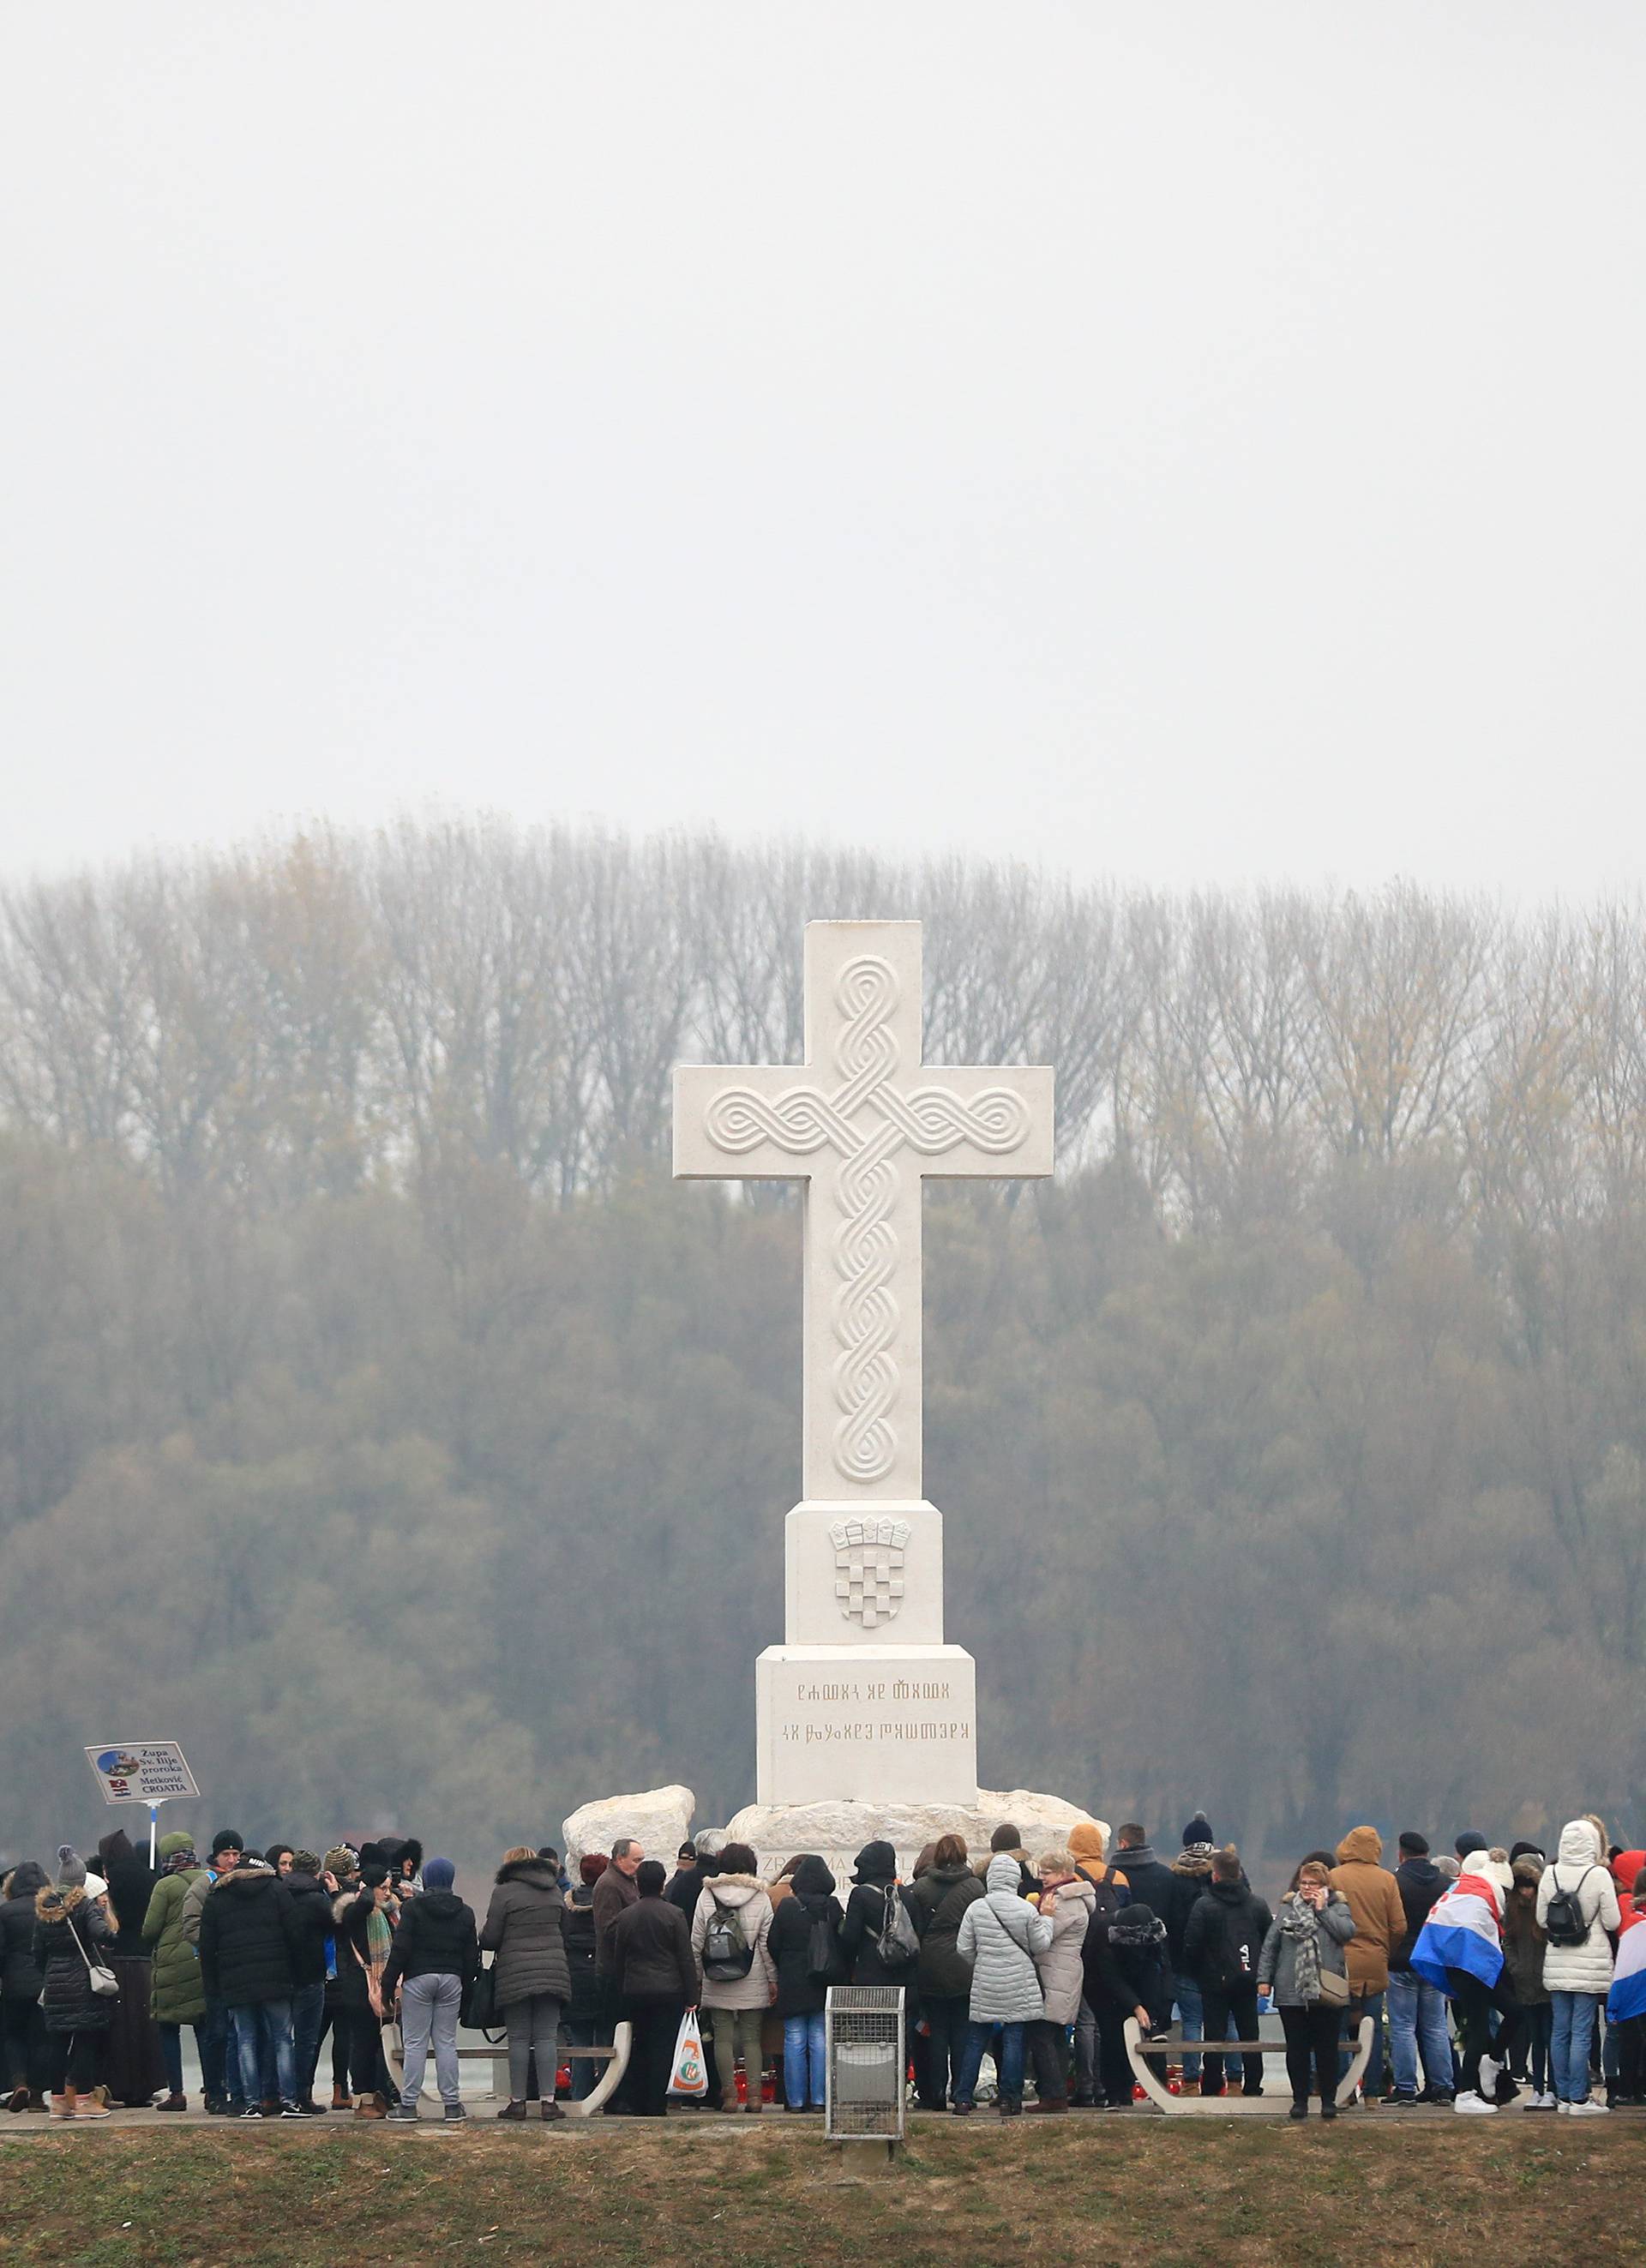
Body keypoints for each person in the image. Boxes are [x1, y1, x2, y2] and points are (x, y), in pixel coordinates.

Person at [197, 1852, 303, 2117]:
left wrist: (213, 1985)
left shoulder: (218, 1897)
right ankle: (288, 2100)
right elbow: (296, 1933)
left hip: (236, 1981)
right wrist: (295, 1974)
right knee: (282, 2039)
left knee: (245, 2040)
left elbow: (207, 1946)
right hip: (276, 1977)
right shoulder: (278, 1891)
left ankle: (250, 2102)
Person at [952, 1852, 1054, 2117]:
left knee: (975, 2040)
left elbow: (963, 1948)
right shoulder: (1026, 1909)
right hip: (1019, 1982)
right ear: (1016, 1880)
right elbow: (1041, 1945)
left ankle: (963, 2098)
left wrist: (983, 1961)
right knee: (1014, 2039)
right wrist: (1049, 1919)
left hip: (986, 1981)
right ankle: (1010, 2099)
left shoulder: (976, 1908)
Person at [381, 1855, 478, 2123]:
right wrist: (466, 1987)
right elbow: (472, 1956)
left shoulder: (413, 1909)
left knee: (415, 2043)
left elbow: (401, 1949)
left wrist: (388, 1983)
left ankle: (409, 2105)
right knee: (446, 2042)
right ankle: (451, 2105)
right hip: (451, 1980)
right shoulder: (465, 1912)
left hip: (418, 1979)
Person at [1257, 1859, 1355, 2122]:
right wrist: (1263, 1980)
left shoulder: (1339, 1907)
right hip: (1292, 1989)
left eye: (1314, 1883)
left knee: (1327, 2048)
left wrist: (1323, 1911)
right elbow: (1270, 1946)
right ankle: (1299, 2099)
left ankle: (1328, 2100)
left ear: (1325, 1886)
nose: (1308, 1888)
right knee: (1297, 2048)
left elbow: (1347, 1933)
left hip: (1325, 1990)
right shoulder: (1288, 1908)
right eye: (1304, 1883)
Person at [479, 1844, 571, 2122]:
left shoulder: (503, 1893)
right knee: (546, 2036)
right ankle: (548, 2102)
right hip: (553, 1971)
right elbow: (565, 1929)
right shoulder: (555, 1890)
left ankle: (517, 2102)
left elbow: (490, 1939)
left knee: (518, 2038)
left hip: (515, 1974)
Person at [1535, 1816, 1620, 2115]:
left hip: (1558, 1959)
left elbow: (1542, 1920)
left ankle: (1561, 2096)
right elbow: (1613, 1921)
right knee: (1582, 2032)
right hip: (1590, 1960)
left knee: (1560, 2031)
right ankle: (1579, 2099)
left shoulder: (1551, 1873)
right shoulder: (1598, 1875)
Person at [690, 1840, 776, 2115]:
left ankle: (728, 2097)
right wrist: (773, 1979)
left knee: (723, 2037)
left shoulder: (707, 1895)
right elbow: (766, 1944)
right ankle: (754, 2097)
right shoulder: (760, 1897)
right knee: (752, 2038)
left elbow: (696, 1942)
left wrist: (698, 1977)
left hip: (715, 1975)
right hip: (753, 1974)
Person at [1181, 1847, 1273, 2099]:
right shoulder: (1257, 1904)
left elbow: (1192, 1944)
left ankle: (1211, 2085)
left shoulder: (1204, 1905)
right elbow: (1270, 1941)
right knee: (1250, 2034)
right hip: (1248, 1979)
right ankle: (1252, 2084)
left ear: (1215, 1876)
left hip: (1213, 1983)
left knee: (1214, 2035)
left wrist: (1201, 1972)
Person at [610, 1858, 699, 2118]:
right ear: (662, 1884)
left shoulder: (626, 1917)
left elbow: (619, 1959)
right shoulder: (674, 1914)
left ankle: (638, 2102)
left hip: (635, 1990)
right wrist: (692, 1995)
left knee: (639, 2046)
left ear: (638, 1883)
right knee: (663, 2047)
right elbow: (685, 1957)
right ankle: (656, 2103)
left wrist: (619, 1992)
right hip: (669, 1990)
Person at [33, 1848, 116, 2119]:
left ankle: (58, 2102)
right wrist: (111, 1933)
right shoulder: (84, 1904)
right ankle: (84, 2101)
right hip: (83, 1982)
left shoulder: (45, 1908)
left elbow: (38, 1951)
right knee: (84, 2043)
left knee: (57, 2044)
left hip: (54, 1985)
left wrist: (50, 1972)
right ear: (81, 1879)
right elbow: (100, 1932)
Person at [1328, 1827, 1406, 2102]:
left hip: (1340, 1963)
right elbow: (1398, 1926)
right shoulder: (1387, 1880)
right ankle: (1372, 2093)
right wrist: (1384, 1949)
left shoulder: (1334, 1877)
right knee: (1370, 2032)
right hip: (1375, 1962)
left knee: (1336, 2030)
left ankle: (1343, 2090)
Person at [906, 1834, 983, 2110]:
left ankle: (935, 2093)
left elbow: (914, 1930)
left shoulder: (920, 1888)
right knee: (963, 2032)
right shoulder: (975, 1887)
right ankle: (962, 2093)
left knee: (936, 2033)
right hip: (965, 1964)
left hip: (930, 1964)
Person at [766, 1854, 842, 2114]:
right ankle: (820, 2100)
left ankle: (796, 2101)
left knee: (794, 2039)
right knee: (820, 2038)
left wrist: (787, 1964)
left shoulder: (788, 1906)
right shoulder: (832, 1906)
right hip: (822, 1980)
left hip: (792, 1979)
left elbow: (772, 1944)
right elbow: (842, 1941)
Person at [1385, 1831, 1453, 2107]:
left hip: (1401, 1961)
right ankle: (1442, 2087)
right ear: (1427, 1854)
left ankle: (1405, 2087)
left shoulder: (1395, 1882)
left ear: (1402, 1854)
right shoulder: (1445, 1883)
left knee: (1403, 2026)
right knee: (1436, 2026)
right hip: (1434, 1961)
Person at [183, 1827, 248, 2116]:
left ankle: (239, 2089)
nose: (232, 1860)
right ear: (216, 1856)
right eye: (227, 1854)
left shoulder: (243, 1883)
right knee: (217, 2032)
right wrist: (216, 1946)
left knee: (238, 2033)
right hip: (215, 1969)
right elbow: (191, 1926)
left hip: (239, 1969)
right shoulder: (202, 1885)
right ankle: (214, 2090)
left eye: (236, 1854)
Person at [141, 1835, 208, 2112]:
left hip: (170, 1968)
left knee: (169, 2029)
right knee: (205, 2030)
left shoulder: (164, 1885)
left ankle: (177, 2093)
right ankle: (213, 2089)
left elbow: (149, 1929)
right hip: (203, 1963)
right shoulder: (209, 1879)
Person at [1082, 1899, 1170, 2110]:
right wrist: (1136, 2005)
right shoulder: (1103, 1934)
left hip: (1139, 1979)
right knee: (1112, 2038)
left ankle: (1145, 2089)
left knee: (1150, 2033)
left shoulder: (1152, 1936)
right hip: (1101, 1988)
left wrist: (1152, 2007)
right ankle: (1114, 2092)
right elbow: (1110, 1977)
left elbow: (1158, 1968)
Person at [1027, 1849, 1093, 2112]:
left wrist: (1042, 1914)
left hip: (1056, 1972)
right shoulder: (1068, 1897)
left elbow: (1043, 1936)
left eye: (1047, 1872)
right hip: (1061, 1970)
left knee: (1043, 2033)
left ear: (1063, 1874)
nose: (1041, 1877)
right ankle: (1056, 2093)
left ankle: (1053, 2095)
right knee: (1054, 2034)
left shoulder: (1064, 1901)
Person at [332, 1857, 399, 2118]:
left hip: (379, 1985)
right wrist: (368, 1890)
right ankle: (363, 2098)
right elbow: (364, 1903)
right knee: (362, 2042)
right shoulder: (355, 1910)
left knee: (378, 2044)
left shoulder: (386, 1911)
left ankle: (378, 2093)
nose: (387, 1891)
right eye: (383, 1886)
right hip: (359, 1987)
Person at [1066, 1823, 1126, 2104]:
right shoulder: (1119, 1877)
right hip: (1114, 1954)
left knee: (1085, 2023)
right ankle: (1107, 2084)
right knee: (1106, 2024)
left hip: (1082, 1952)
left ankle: (1086, 2086)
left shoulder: (1071, 1876)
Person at [280, 1851, 335, 2112]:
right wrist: (335, 1894)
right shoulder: (317, 1900)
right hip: (311, 1976)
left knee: (280, 2038)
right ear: (317, 1872)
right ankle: (302, 2095)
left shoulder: (278, 1895)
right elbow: (340, 1924)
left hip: (280, 1976)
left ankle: (278, 2095)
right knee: (306, 2040)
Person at [1167, 1815, 1218, 2090]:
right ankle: (1227, 2079)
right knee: (1223, 2023)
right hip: (1221, 1964)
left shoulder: (1175, 1875)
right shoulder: (1226, 1871)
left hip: (1185, 1963)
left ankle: (1189, 2081)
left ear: (1185, 1843)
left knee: (1191, 2022)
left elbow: (1171, 1921)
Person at [1502, 1854, 1553, 2108]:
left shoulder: (1544, 1909)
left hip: (1546, 1980)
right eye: (1521, 1886)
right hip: (1524, 1982)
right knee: (1536, 2036)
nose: (1526, 1891)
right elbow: (1508, 1940)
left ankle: (1551, 2087)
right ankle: (1538, 2089)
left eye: (1529, 1886)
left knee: (1548, 2036)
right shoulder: (1512, 1910)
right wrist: (1515, 1967)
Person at [2, 1862, 51, 2112]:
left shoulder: (5, 1912)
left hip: (14, 1986)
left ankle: (18, 2082)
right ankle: (37, 2096)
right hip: (45, 1984)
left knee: (14, 2036)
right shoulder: (49, 1909)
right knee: (42, 2039)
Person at [561, 1853, 606, 2103]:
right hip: (601, 1978)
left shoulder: (566, 1905)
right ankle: (605, 2096)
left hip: (574, 1980)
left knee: (579, 2043)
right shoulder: (608, 1903)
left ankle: (580, 2096)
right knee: (605, 2042)